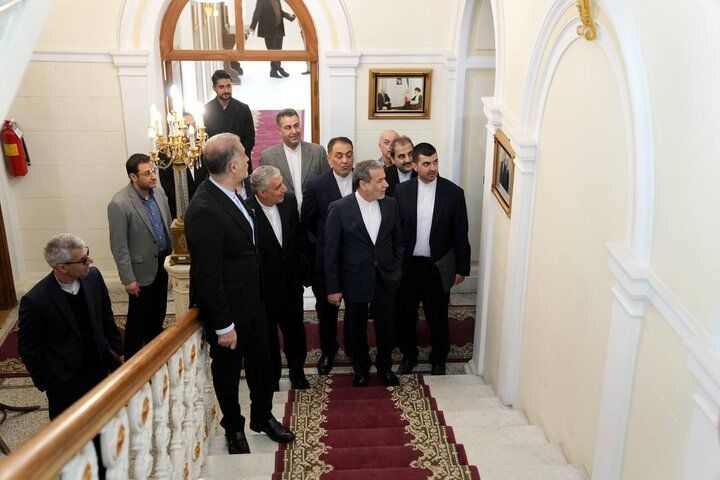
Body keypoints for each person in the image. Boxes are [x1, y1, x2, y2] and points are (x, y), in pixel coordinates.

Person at [184, 133, 294, 455]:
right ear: (233, 165)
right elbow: (207, 274)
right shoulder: (203, 208)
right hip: (229, 312)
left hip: (254, 301)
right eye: (244, 155)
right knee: (228, 373)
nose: (249, 159)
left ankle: (262, 416)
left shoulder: (237, 190)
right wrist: (223, 325)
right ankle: (233, 426)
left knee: (262, 365)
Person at [18, 234, 123, 419]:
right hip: (65, 383)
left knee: (104, 422)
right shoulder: (35, 301)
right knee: (72, 432)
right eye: (83, 260)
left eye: (87, 254)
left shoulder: (94, 277)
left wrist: (117, 351)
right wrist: (47, 382)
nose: (90, 261)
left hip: (98, 369)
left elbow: (106, 317)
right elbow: (28, 349)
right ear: (62, 267)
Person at [394, 142, 471, 376]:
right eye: (426, 164)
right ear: (414, 166)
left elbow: (461, 233)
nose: (433, 168)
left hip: (438, 267)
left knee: (438, 317)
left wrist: (462, 268)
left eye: (435, 162)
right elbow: (394, 231)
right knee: (405, 315)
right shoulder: (400, 192)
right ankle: (409, 355)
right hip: (409, 267)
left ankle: (439, 358)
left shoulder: (454, 193)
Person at [325, 160, 403, 387]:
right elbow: (331, 252)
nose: (386, 184)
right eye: (380, 181)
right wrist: (333, 287)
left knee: (387, 326)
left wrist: (397, 269)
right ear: (363, 184)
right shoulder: (339, 208)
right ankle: (361, 369)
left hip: (385, 277)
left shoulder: (390, 204)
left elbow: (398, 241)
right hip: (354, 279)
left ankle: (385, 368)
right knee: (355, 327)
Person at [247, 166, 309, 391]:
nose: (284, 188)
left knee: (296, 332)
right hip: (264, 287)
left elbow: (298, 236)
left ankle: (297, 373)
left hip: (291, 283)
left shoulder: (289, 201)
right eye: (278, 187)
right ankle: (272, 377)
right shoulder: (247, 210)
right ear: (262, 193)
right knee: (267, 335)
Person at [108, 154, 172, 359]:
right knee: (138, 321)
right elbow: (119, 246)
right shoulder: (119, 204)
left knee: (158, 314)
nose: (153, 176)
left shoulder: (159, 192)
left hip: (162, 264)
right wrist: (128, 279)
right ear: (133, 177)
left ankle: (155, 356)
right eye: (147, 173)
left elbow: (167, 225)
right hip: (140, 272)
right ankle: (133, 363)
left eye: (154, 170)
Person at [301, 137, 355, 375]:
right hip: (326, 259)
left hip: (356, 260)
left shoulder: (363, 180)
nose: (345, 160)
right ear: (329, 158)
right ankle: (328, 350)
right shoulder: (316, 185)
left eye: (349, 155)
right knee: (326, 310)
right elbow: (308, 220)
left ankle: (354, 348)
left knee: (356, 308)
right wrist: (328, 240)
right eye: (339, 156)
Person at [259, 108, 329, 215]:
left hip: (314, 217)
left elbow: (327, 185)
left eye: (296, 126)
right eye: (288, 127)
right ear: (279, 130)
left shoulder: (318, 152)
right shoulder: (268, 157)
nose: (294, 131)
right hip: (284, 217)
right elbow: (265, 193)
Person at [159, 112, 209, 219]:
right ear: (177, 129)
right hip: (180, 210)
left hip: (205, 206)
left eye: (193, 125)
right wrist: (184, 203)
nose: (192, 129)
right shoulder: (166, 153)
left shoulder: (202, 149)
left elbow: (209, 176)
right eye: (187, 126)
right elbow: (166, 185)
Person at [203, 70, 255, 172]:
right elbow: (205, 139)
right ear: (214, 88)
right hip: (216, 164)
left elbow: (250, 139)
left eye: (228, 86)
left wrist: (236, 158)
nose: (226, 90)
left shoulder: (243, 109)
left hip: (240, 162)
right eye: (221, 87)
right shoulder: (206, 110)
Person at [249, 0, 296, 78]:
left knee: (278, 52)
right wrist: (252, 27)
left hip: (279, 29)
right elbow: (257, 12)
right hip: (268, 30)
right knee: (273, 52)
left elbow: (280, 11)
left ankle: (273, 72)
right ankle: (280, 69)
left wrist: (289, 16)